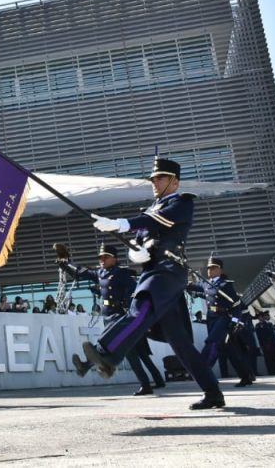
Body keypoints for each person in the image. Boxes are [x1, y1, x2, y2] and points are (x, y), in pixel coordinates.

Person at [81, 157, 224, 410]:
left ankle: (106, 354)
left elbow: (162, 221)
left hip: (167, 272)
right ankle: (213, 393)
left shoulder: (181, 202)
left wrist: (121, 224)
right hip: (153, 271)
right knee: (180, 343)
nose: (154, 183)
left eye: (160, 178)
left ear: (174, 181)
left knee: (141, 309)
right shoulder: (149, 210)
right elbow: (139, 241)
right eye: (153, 179)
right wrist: (135, 254)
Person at [67, 244, 166, 395]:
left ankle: (89, 366)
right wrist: (65, 263)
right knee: (133, 354)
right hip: (108, 316)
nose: (102, 259)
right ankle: (149, 383)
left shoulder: (122, 274)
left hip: (121, 317)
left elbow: (135, 294)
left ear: (115, 258)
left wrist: (134, 315)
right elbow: (81, 273)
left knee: (119, 349)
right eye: (100, 257)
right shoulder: (100, 273)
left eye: (106, 257)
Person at [184, 257, 253, 387]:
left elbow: (237, 306)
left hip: (223, 317)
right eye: (209, 268)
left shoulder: (226, 285)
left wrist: (234, 321)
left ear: (220, 270)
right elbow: (190, 286)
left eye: (213, 268)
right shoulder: (205, 283)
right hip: (211, 318)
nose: (210, 270)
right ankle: (246, 377)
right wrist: (186, 274)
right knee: (229, 350)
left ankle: (202, 371)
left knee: (211, 342)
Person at [254, 311, 275, 375]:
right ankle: (271, 371)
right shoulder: (258, 326)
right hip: (265, 345)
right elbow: (260, 336)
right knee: (268, 359)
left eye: (262, 317)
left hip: (273, 344)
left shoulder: (270, 324)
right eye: (260, 317)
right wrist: (263, 344)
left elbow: (273, 335)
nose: (261, 318)